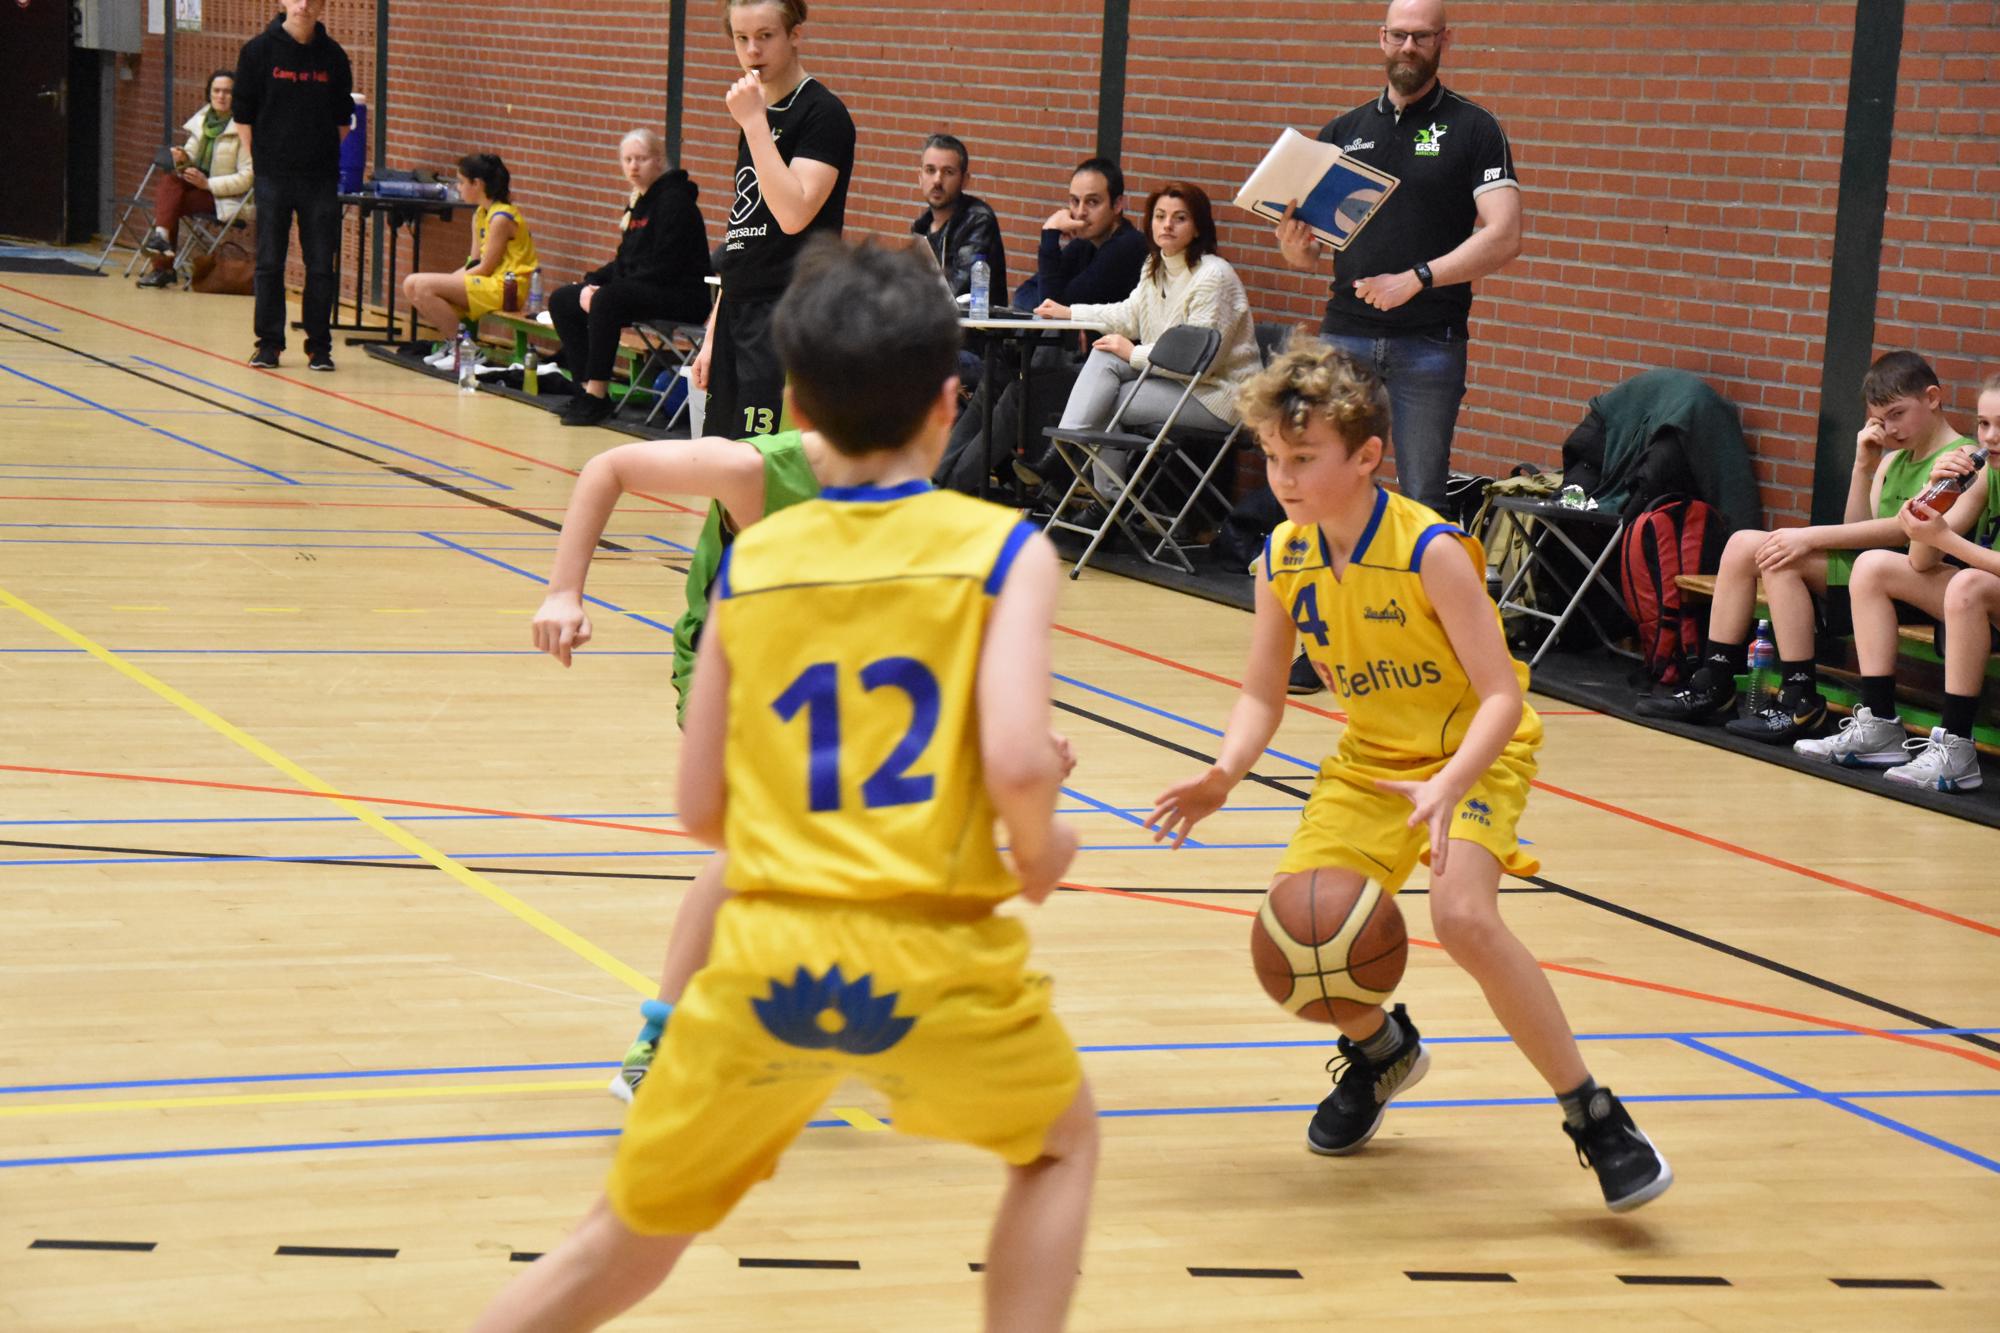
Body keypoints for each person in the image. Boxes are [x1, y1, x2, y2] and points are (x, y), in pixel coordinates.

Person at [474, 239, 1097, 1332]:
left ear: (797, 403)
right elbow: (1013, 760)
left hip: (769, 963)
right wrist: (1041, 847)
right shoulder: (1007, 550)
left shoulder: (754, 559)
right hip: (932, 958)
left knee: (617, 1244)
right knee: (1059, 1148)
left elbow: (701, 810)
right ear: (949, 403)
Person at [1145, 339, 1671, 1214]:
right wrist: (1224, 771)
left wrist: (1451, 782)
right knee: (1298, 931)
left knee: (1464, 916)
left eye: (1303, 458)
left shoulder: (1431, 550)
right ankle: (1383, 1051)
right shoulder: (1281, 557)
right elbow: (1261, 692)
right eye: (1272, 457)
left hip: (1474, 753)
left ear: (1366, 456)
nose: (1283, 478)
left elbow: (1503, 695)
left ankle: (1594, 1113)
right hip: (1371, 762)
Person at [1639, 350, 1974, 742]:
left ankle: (1799, 697)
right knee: (1744, 544)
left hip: (1919, 579)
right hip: (1872, 573)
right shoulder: (1893, 461)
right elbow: (1858, 531)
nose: (1891, 429)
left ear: (1932, 398)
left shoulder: (1960, 458)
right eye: (1882, 420)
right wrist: (1863, 467)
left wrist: (1809, 536)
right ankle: (1714, 680)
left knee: (1784, 557)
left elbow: (1903, 531)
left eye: (1898, 414)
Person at [1274, 0, 1522, 512]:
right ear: (1382, 38)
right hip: (1345, 334)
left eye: (1422, 37)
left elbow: (1505, 235)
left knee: (1423, 494)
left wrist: (1417, 278)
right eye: (1399, 35)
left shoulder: (1475, 128)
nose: (1409, 47)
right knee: (1324, 480)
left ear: (1443, 41)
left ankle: (1417, 570)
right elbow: (1309, 254)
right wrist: (1294, 247)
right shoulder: (1342, 132)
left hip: (1430, 341)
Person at [1796, 372, 2000, 790]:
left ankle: (1956, 745)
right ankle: (1879, 724)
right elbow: (1922, 560)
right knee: (1873, 566)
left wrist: (1946, 539)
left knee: (1968, 585)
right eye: (1983, 423)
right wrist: (1937, 491)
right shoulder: (1986, 472)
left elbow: (1949, 549)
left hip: (1985, 590)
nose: (1990, 436)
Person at [1026, 182, 1261, 509]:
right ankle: (1069, 465)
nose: (1167, 224)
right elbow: (1128, 315)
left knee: (1108, 397)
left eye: (1180, 218)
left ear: (1197, 228)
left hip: (1221, 395)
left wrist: (1132, 353)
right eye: (1160, 216)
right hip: (1176, 381)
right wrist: (1070, 313)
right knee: (1105, 355)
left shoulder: (1214, 276)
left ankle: (1097, 495)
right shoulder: (1154, 265)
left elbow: (1201, 361)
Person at [692, 0, 855, 440]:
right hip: (737, 314)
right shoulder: (756, 117)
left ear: (795, 34)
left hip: (786, 316)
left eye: (765, 36)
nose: (752, 51)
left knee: (763, 460)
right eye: (741, 38)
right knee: (718, 459)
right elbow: (744, 235)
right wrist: (713, 335)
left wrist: (754, 125)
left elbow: (793, 214)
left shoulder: (823, 114)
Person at [935, 156, 1147, 494]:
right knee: (995, 376)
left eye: (1092, 202)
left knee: (1021, 393)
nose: (1080, 212)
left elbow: (1060, 301)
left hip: (1109, 376)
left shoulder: (1128, 247)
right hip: (1076, 362)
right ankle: (936, 478)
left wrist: (1050, 235)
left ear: (1118, 204)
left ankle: (952, 488)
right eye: (1074, 201)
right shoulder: (1084, 246)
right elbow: (1036, 295)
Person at [545, 129, 713, 427]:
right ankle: (584, 389)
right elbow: (626, 260)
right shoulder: (639, 202)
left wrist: (605, 289)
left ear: (659, 160)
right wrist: (592, 281)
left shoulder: (675, 202)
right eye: (628, 160)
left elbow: (665, 265)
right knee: (563, 299)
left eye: (641, 159)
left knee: (608, 300)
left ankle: (597, 395)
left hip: (682, 294)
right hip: (646, 288)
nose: (633, 167)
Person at [232, 0, 353, 372]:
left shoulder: (334, 56)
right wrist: (264, 161)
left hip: (320, 178)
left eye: (312, 0)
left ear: (322, 5)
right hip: (273, 175)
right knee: (270, 262)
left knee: (321, 265)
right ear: (282, 2)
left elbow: (343, 120)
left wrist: (319, 154)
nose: (303, 5)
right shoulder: (257, 52)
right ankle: (269, 344)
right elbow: (243, 115)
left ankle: (319, 347)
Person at [405, 154, 539, 367]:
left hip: (507, 289)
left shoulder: (501, 218)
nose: (458, 188)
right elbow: (474, 262)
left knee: (424, 286)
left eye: (461, 182)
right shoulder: (480, 214)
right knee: (412, 284)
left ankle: (467, 350)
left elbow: (486, 268)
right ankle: (453, 343)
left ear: (477, 184)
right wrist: (450, 281)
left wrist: (448, 283)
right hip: (488, 282)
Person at [137, 71, 254, 289]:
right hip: (197, 186)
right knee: (170, 183)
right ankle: (161, 239)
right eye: (216, 91)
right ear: (209, 94)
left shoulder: (244, 128)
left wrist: (207, 184)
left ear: (236, 95)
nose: (221, 96)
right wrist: (182, 158)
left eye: (227, 92)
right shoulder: (202, 121)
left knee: (169, 204)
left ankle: (162, 267)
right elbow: (189, 158)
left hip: (224, 196)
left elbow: (247, 178)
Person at [910, 132, 1007, 303]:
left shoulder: (978, 220)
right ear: (920, 177)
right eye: (930, 170)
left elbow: (958, 293)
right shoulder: (921, 226)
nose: (937, 180)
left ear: (964, 180)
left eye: (948, 172)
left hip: (972, 320)